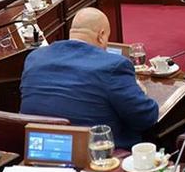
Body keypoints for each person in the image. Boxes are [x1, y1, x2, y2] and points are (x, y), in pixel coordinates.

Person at [21, 8, 158, 150]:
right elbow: (146, 118)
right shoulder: (114, 66)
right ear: (102, 35)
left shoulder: (34, 58)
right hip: (98, 157)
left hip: (39, 150)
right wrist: (140, 91)